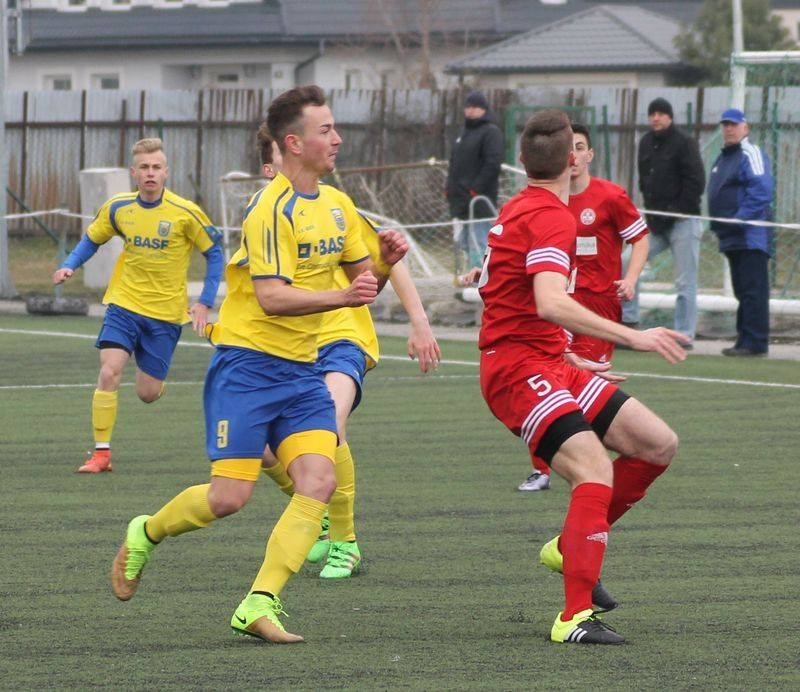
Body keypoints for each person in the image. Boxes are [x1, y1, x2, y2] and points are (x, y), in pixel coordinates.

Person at [109, 85, 408, 643]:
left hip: (302, 371)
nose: (337, 139)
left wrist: (384, 266)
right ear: (293, 143)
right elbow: (272, 297)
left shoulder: (338, 205)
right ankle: (146, 532)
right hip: (247, 369)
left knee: (317, 480)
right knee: (228, 498)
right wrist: (344, 297)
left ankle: (259, 602)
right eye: (325, 130)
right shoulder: (269, 209)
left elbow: (362, 284)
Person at [478, 109, 687, 645]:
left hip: (550, 362)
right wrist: (633, 336)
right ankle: (573, 617)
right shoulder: (552, 217)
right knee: (594, 470)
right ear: (572, 160)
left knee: (657, 444)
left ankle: (569, 546)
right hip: (518, 370)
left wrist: (568, 354)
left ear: (521, 159)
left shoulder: (520, 207)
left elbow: (507, 295)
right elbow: (549, 302)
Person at [253, 122, 441, 579]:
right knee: (262, 446)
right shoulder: (263, 216)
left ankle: (345, 541)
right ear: (270, 167)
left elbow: (386, 259)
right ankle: (316, 510)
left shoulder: (333, 206)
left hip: (342, 335)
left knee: (328, 424)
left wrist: (419, 322)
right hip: (290, 345)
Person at [52, 137, 224, 474]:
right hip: (124, 304)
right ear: (134, 172)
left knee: (147, 393)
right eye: (144, 167)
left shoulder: (185, 213)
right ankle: (102, 454)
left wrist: (205, 302)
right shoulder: (118, 208)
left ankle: (155, 380)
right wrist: (70, 264)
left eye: (156, 167)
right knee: (109, 371)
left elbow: (215, 253)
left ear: (166, 172)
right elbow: (91, 239)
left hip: (165, 315)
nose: (150, 173)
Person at [518, 123, 650, 492]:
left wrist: (631, 279)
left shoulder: (610, 196)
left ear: (589, 155)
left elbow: (640, 239)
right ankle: (543, 469)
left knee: (587, 383)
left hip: (596, 306)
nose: (573, 155)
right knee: (547, 376)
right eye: (569, 147)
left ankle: (590, 460)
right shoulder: (547, 202)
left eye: (579, 147)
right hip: (555, 303)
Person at [622, 97, 706, 346]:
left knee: (685, 280)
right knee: (627, 261)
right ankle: (629, 320)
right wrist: (654, 212)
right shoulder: (646, 142)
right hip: (655, 224)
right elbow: (644, 180)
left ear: (670, 116)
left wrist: (676, 210)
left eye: (660, 113)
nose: (655, 118)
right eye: (652, 114)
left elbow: (696, 181)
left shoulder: (684, 143)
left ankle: (684, 334)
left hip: (683, 222)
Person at [707, 108, 774, 357]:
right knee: (742, 291)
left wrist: (739, 219)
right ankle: (744, 339)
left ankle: (755, 342)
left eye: (733, 124)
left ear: (745, 128)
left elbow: (762, 190)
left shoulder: (750, 153)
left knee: (753, 290)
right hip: (732, 237)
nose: (729, 129)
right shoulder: (723, 158)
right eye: (725, 125)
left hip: (750, 236)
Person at [446, 90, 504, 268]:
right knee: (464, 242)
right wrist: (449, 188)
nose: (471, 110)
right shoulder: (462, 134)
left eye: (475, 107)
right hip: (460, 200)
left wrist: (476, 189)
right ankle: (473, 275)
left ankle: (482, 277)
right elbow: (454, 163)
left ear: (484, 109)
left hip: (479, 201)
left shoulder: (491, 133)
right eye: (468, 106)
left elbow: (492, 164)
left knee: (479, 242)